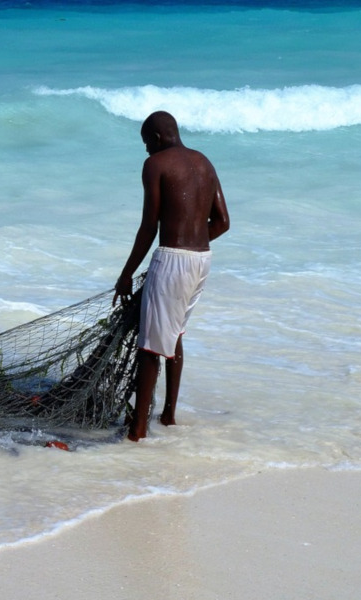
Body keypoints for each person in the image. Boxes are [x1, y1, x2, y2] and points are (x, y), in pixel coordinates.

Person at [113, 111, 230, 442]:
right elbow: (222, 222)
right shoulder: (204, 163)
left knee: (149, 346)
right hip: (202, 260)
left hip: (173, 261)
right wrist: (193, 244)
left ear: (159, 138)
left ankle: (137, 432)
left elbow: (150, 225)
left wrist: (126, 274)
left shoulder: (157, 164)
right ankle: (168, 416)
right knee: (175, 333)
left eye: (146, 143)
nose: (146, 151)